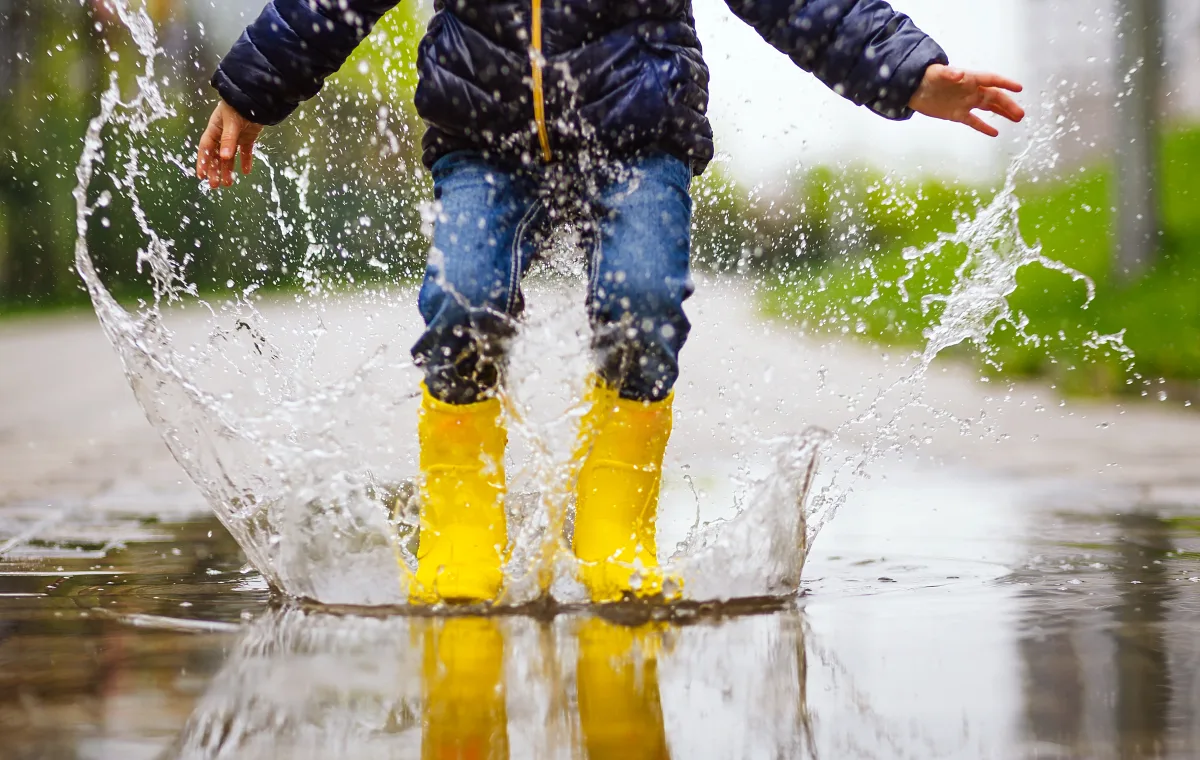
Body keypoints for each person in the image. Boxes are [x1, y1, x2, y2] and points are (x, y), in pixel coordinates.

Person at [196, 0, 1025, 605]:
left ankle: (615, 523)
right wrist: (251, 88)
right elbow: (328, 4)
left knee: (642, 303)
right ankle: (460, 525)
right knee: (464, 306)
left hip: (637, 140)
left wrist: (905, 68)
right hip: (484, 141)